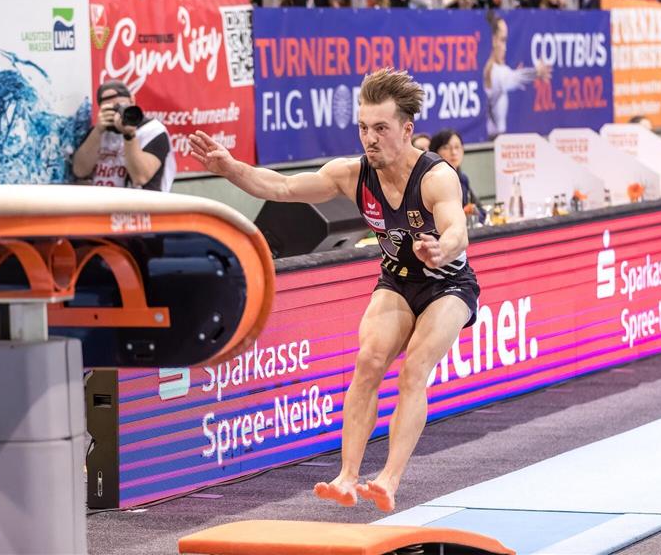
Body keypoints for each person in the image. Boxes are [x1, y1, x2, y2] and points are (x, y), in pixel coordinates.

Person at [189, 68, 480, 513]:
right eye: (363, 128)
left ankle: (388, 478)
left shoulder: (435, 177)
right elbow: (283, 187)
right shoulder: (351, 173)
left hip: (448, 283)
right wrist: (231, 169)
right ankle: (347, 476)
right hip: (398, 280)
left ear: (407, 129)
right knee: (368, 362)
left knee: (414, 369)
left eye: (381, 128)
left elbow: (457, 229)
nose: (370, 139)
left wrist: (442, 248)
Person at [73, 79, 176, 191]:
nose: (118, 114)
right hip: (103, 201)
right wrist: (97, 131)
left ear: (132, 101)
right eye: (111, 109)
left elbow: (140, 177)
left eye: (121, 107)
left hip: (142, 201)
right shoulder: (98, 132)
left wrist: (129, 135)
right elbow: (80, 171)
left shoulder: (152, 131)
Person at [485, 12, 552, 139]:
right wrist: (535, 72)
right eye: (502, 40)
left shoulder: (500, 69)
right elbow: (511, 78)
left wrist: (524, 74)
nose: (505, 48)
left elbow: (511, 76)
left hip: (500, 137)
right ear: (494, 41)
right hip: (494, 139)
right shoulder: (492, 70)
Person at [428, 130, 484, 222]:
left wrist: (472, 211)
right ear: (435, 152)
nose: (454, 152)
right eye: (446, 148)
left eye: (457, 147)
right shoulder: (430, 181)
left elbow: (481, 211)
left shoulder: (463, 178)